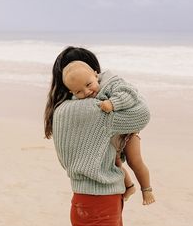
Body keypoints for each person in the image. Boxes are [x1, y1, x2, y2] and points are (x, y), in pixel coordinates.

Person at [44, 46, 151, 226]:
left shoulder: (61, 110)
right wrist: (110, 78)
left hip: (88, 201)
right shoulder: (95, 110)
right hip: (99, 204)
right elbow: (143, 113)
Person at [62, 60, 155, 204]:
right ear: (72, 92)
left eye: (88, 85)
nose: (87, 92)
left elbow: (130, 94)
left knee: (134, 161)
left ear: (95, 75)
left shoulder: (112, 83)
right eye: (79, 91)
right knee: (114, 163)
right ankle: (129, 186)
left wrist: (113, 103)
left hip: (128, 132)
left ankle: (147, 190)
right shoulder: (79, 98)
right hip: (111, 135)